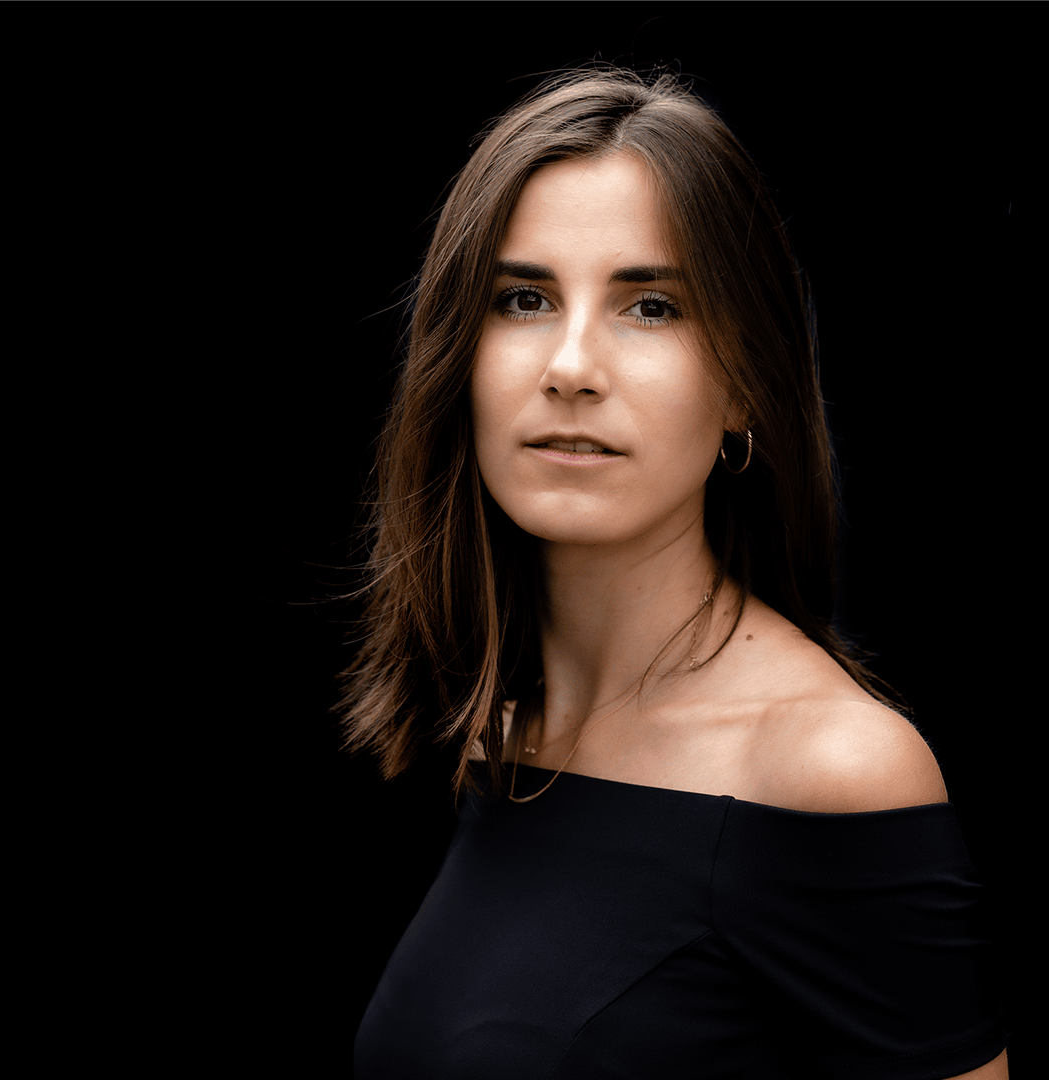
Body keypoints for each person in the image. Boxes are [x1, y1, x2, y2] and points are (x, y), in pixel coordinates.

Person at [344, 67, 1008, 1079]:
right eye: (523, 299)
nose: (571, 366)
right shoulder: (501, 726)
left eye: (650, 306)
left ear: (745, 384)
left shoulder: (827, 771)